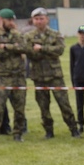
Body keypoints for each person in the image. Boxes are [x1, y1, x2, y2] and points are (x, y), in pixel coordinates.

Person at [27, 8, 80, 139]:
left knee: (64, 103)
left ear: (47, 19)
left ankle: (73, 128)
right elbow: (28, 52)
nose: (39, 21)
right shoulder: (29, 36)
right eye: (36, 19)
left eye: (41, 18)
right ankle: (48, 131)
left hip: (55, 75)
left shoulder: (55, 34)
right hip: (38, 76)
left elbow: (60, 49)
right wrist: (43, 51)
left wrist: (42, 49)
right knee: (43, 106)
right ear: (33, 20)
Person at [0, 8, 28, 145]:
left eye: (12, 20)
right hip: (1, 76)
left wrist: (6, 46)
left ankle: (18, 133)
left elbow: (24, 48)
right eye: (9, 20)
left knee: (19, 108)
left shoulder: (18, 33)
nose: (11, 22)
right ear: (2, 20)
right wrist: (13, 47)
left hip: (18, 76)